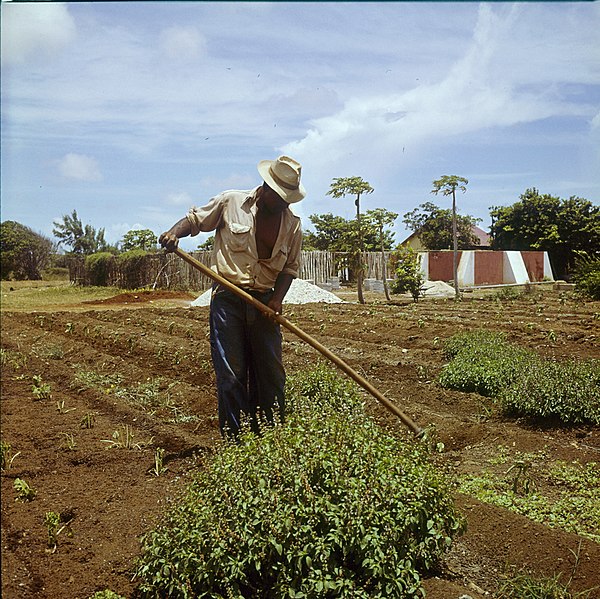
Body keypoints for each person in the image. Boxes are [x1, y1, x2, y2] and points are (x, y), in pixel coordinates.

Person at [159, 155, 305, 438]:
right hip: (228, 298)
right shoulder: (231, 202)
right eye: (282, 197)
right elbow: (195, 220)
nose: (287, 203)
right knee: (232, 374)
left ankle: (273, 439)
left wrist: (277, 300)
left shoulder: (293, 225)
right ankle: (236, 443)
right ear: (267, 187)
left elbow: (289, 268)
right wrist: (173, 233)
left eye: (290, 197)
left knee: (271, 375)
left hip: (264, 302)